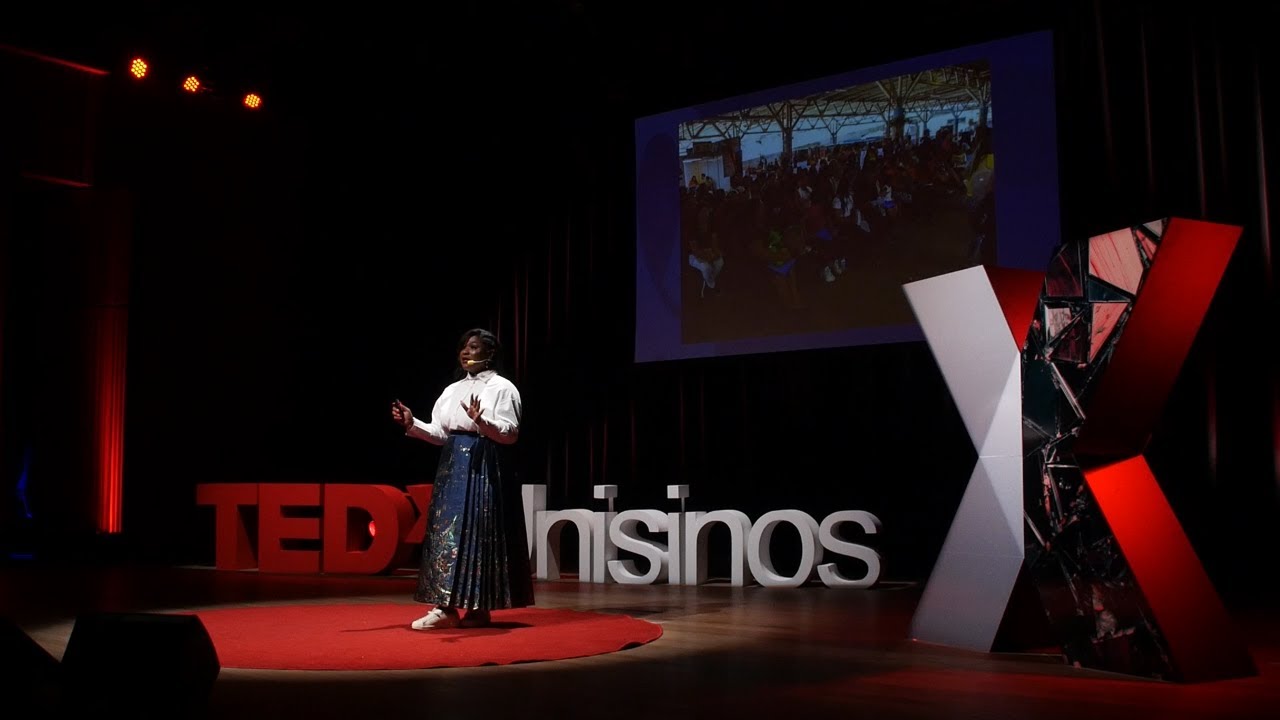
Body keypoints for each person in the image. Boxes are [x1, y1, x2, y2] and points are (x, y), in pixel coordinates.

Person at [389, 328, 534, 629]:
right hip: (453, 465)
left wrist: (482, 421)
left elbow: (510, 434)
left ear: (490, 353)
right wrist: (413, 424)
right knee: (447, 534)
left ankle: (479, 608)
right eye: (463, 348)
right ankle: (445, 608)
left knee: (481, 533)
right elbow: (441, 433)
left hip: (486, 465)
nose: (466, 352)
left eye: (474, 347)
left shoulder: (503, 388)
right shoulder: (452, 390)